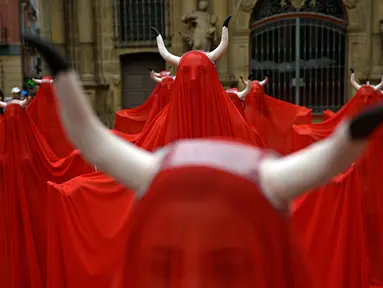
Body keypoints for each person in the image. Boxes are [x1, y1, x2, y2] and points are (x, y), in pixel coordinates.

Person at [23, 26, 383, 287]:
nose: (193, 82)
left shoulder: (232, 125)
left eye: (199, 74)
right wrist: (73, 192)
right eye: (188, 75)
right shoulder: (212, 124)